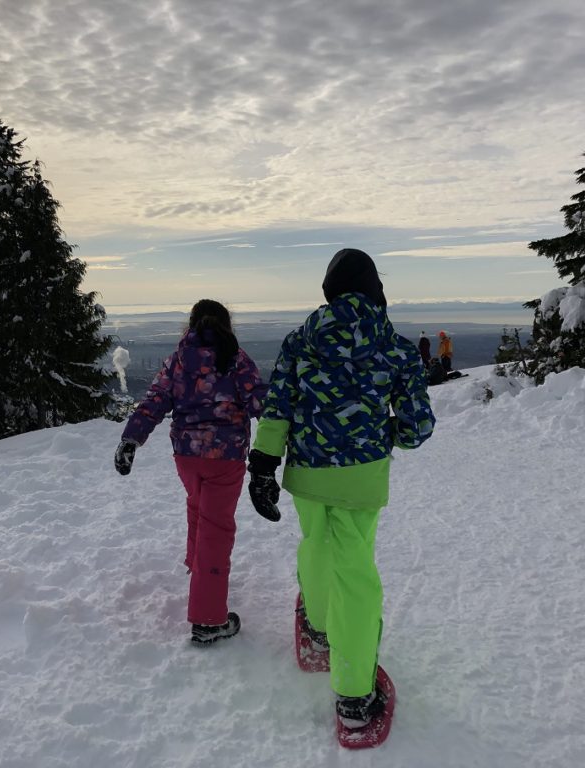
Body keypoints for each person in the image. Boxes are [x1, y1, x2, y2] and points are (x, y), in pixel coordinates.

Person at [246, 249, 435, 733]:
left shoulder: (299, 342)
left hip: (307, 473)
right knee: (355, 571)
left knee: (316, 543)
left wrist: (263, 464)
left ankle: (318, 628)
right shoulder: (396, 347)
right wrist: (386, 433)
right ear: (376, 289)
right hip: (362, 478)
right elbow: (416, 430)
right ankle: (354, 696)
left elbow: (277, 409)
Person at [114, 300, 267, 646]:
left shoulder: (177, 360)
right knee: (217, 529)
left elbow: (154, 400)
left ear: (193, 325)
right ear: (226, 325)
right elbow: (260, 403)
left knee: (199, 509)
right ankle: (209, 620)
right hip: (225, 456)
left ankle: (198, 568)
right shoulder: (236, 359)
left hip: (186, 455)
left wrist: (130, 439)